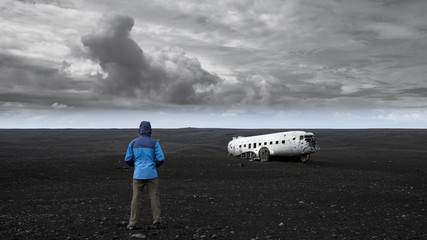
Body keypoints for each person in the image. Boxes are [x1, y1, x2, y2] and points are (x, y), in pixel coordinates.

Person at [125, 121, 165, 230]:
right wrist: (154, 165)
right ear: (150, 129)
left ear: (140, 129)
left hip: (138, 174)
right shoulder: (154, 143)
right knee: (154, 197)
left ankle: (132, 223)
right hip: (152, 173)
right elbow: (161, 158)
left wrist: (136, 166)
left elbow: (127, 159)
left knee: (136, 198)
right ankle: (156, 221)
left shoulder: (133, 143)